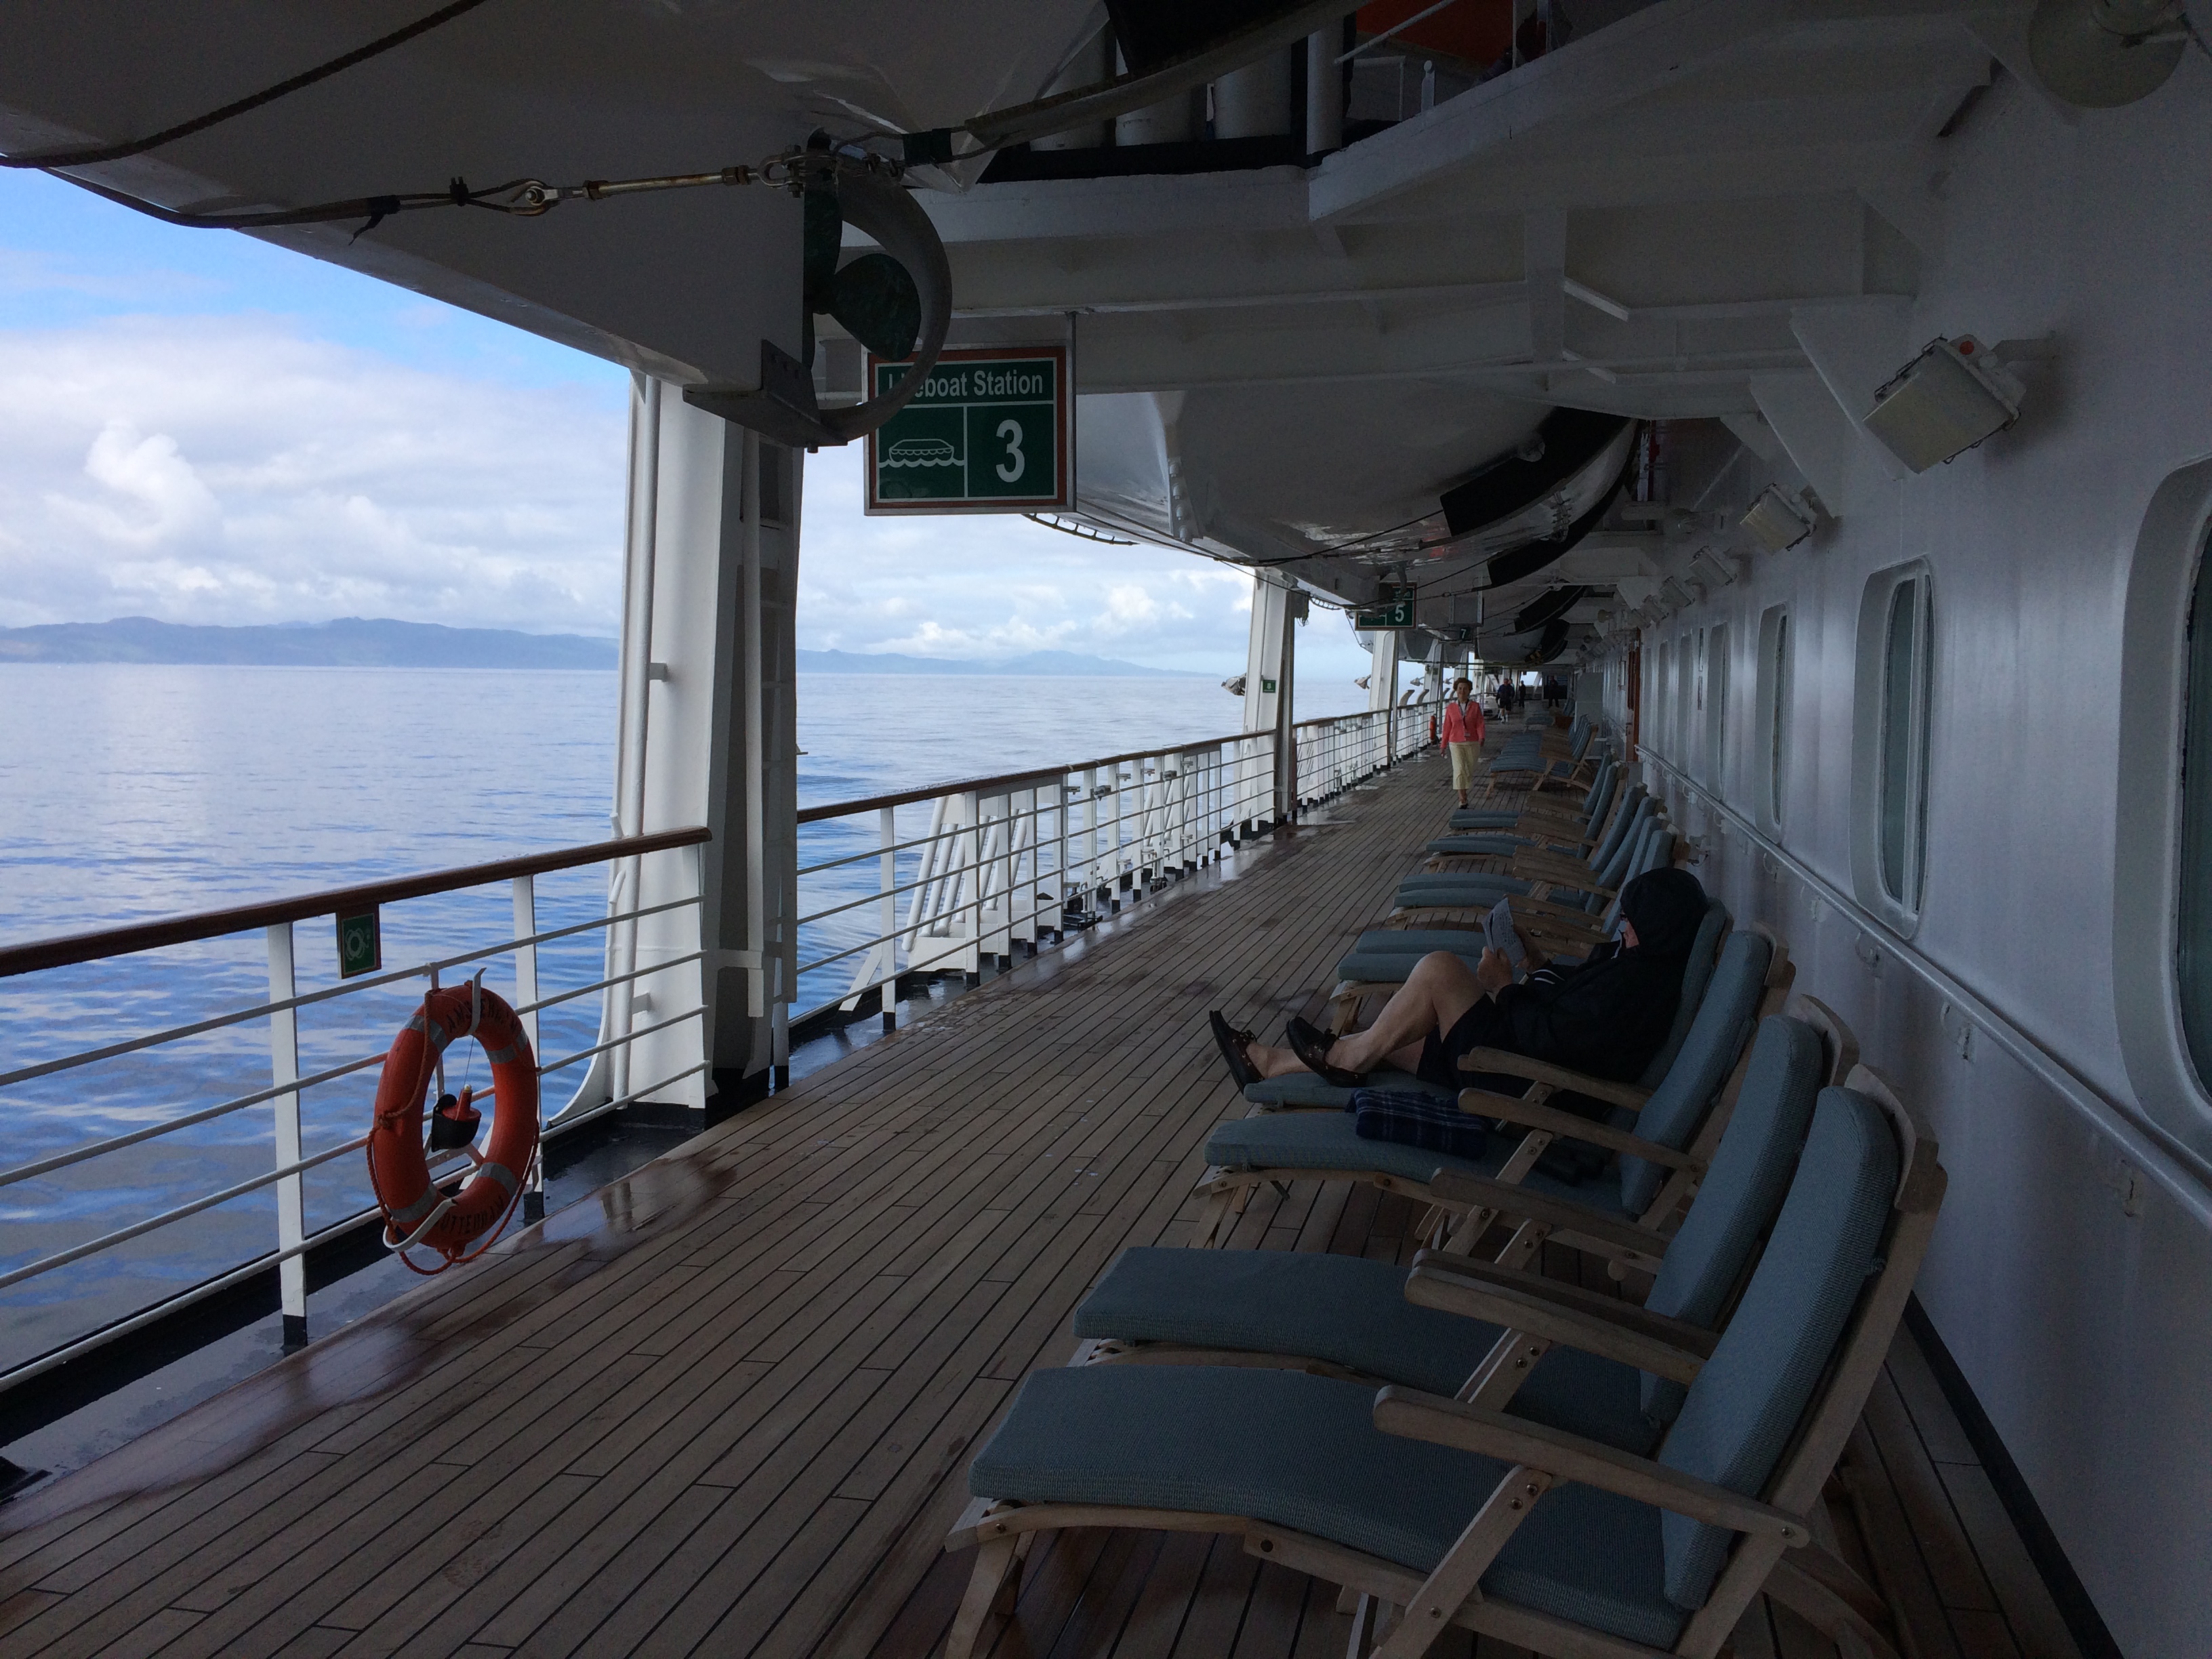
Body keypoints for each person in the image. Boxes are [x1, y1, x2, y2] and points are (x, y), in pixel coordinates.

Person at [1210, 867, 1708, 1105]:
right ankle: (1270, 1064)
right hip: (1525, 1060)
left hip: (1528, 1086)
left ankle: (1346, 1060)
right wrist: (1536, 964)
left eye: (1633, 920)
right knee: (1391, 1032)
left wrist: (1504, 988)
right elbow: (1576, 1012)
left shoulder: (1635, 991)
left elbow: (1556, 1038)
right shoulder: (1640, 968)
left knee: (1441, 970)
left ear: (1661, 926)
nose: (1623, 926)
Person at [1440, 675, 1485, 808]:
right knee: (1459, 769)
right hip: (1456, 742)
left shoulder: (1475, 707)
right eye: (1460, 688)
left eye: (1465, 689)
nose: (1462, 691)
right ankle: (1462, 798)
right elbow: (1447, 727)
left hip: (1472, 742)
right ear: (1456, 690)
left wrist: (1481, 737)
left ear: (1469, 691)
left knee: (1468, 770)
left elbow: (1480, 723)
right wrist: (1443, 745)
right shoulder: (1451, 708)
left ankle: (1464, 792)